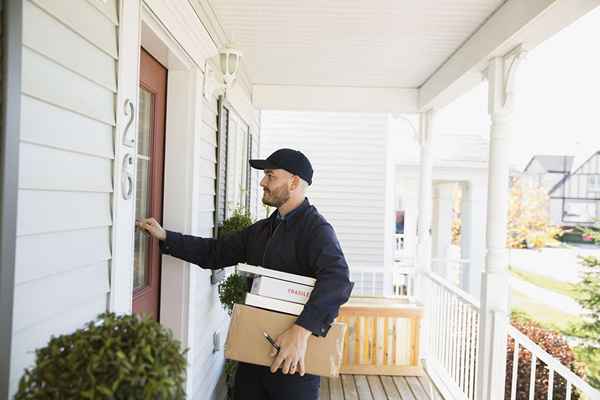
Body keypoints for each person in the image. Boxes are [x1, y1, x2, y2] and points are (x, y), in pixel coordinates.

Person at [137, 148, 353, 400]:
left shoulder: (316, 230)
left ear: (294, 182)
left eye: (271, 176)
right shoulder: (262, 230)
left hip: (293, 364)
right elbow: (215, 252)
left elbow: (337, 280)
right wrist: (166, 237)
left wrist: (301, 331)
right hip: (253, 357)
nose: (263, 182)